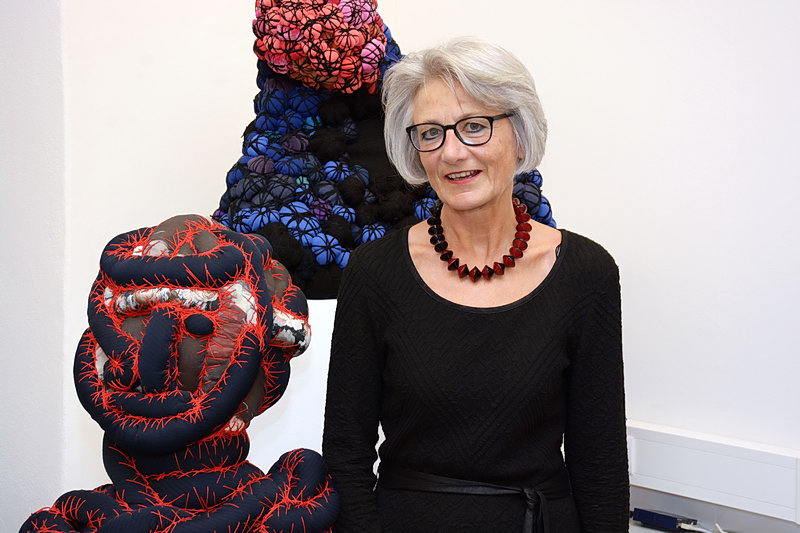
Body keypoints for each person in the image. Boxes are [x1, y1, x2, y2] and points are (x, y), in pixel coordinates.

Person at [322, 36, 629, 532]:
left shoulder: (586, 273)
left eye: (474, 127)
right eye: (430, 133)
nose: (452, 152)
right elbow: (345, 453)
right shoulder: (374, 272)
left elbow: (600, 462)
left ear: (520, 137)